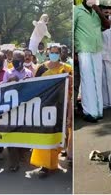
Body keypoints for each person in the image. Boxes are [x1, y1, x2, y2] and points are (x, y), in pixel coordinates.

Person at [30, 45, 72, 178]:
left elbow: (70, 90)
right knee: (45, 135)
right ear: (48, 53)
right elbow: (34, 87)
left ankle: (54, 161)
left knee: (58, 135)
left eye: (56, 52)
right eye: (52, 52)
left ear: (60, 54)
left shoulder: (67, 69)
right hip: (45, 107)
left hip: (61, 107)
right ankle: (45, 166)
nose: (54, 54)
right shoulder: (41, 68)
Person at [74, 0, 111, 122]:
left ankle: (98, 111)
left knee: (97, 80)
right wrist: (74, 52)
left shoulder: (96, 11)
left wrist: (98, 10)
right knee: (87, 81)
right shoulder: (77, 11)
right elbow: (72, 32)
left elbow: (107, 25)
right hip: (84, 50)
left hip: (97, 49)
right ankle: (89, 112)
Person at [3, 50, 33, 171]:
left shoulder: (29, 73)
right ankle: (13, 162)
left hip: (24, 108)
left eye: (18, 59)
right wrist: (10, 82)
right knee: (11, 135)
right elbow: (2, 89)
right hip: (11, 109)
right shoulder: (8, 72)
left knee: (22, 134)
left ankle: (22, 155)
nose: (15, 61)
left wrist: (25, 83)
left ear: (23, 60)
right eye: (14, 59)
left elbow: (34, 89)